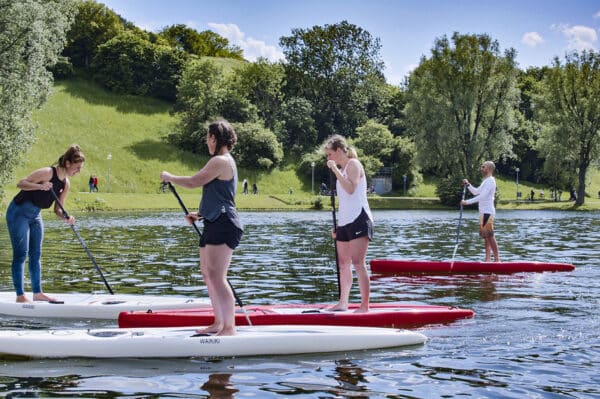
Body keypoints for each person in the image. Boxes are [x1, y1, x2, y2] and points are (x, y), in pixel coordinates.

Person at [160, 119, 243, 336]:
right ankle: (218, 323)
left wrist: (170, 177)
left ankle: (229, 327)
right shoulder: (220, 161)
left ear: (215, 138)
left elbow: (194, 181)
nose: (206, 141)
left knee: (217, 275)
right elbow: (217, 194)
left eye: (208, 137)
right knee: (207, 273)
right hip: (214, 220)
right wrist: (200, 215)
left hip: (225, 223)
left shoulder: (221, 161)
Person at [5, 144, 85, 303]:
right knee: (21, 254)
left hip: (35, 215)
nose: (79, 171)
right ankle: (20, 296)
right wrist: (40, 186)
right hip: (18, 212)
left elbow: (58, 209)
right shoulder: (48, 172)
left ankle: (37, 293)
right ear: (68, 163)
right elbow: (21, 183)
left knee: (36, 254)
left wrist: (66, 217)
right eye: (77, 167)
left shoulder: (65, 183)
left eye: (80, 168)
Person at [324, 134, 373, 313]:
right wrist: (338, 226)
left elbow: (351, 189)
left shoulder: (353, 164)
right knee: (343, 263)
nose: (328, 158)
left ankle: (364, 306)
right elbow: (344, 201)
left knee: (358, 263)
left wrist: (336, 170)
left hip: (360, 219)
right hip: (345, 222)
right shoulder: (342, 170)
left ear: (338, 151)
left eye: (330, 154)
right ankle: (343, 303)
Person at [461, 161, 500, 263]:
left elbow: (482, 196)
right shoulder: (485, 181)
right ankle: (487, 259)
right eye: (481, 167)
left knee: (490, 235)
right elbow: (476, 192)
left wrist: (466, 202)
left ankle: (497, 260)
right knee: (486, 236)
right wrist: (468, 184)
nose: (481, 169)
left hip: (488, 211)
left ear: (489, 169)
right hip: (483, 212)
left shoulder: (491, 181)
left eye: (483, 167)